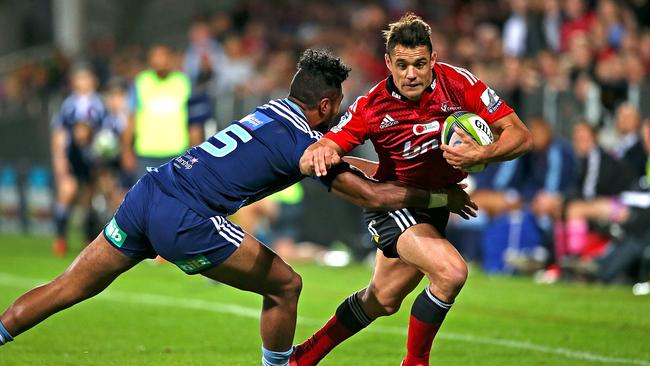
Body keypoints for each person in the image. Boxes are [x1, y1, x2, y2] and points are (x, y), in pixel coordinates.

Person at [0, 49, 476, 366]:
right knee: (287, 285)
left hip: (147, 193)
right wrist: (440, 197)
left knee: (67, 287)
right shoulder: (304, 142)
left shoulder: (271, 113)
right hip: (187, 216)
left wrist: (372, 166)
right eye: (341, 107)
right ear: (328, 105)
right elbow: (371, 195)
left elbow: (339, 162)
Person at [295, 14, 531, 366]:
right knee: (451, 272)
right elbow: (328, 146)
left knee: (382, 300)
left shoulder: (459, 84)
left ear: (433, 60)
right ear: (388, 63)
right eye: (402, 65)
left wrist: (483, 152)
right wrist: (323, 150)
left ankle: (301, 358)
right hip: (395, 201)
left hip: (433, 206)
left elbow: (520, 135)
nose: (411, 74)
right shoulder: (371, 106)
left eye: (420, 64)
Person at [121, 45, 204, 180]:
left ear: (170, 59)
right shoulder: (141, 82)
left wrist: (196, 153)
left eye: (163, 57)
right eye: (156, 57)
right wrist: (126, 150)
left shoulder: (183, 82)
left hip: (177, 152)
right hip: (146, 153)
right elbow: (131, 120)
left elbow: (194, 123)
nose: (160, 62)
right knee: (146, 197)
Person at [50, 65, 106, 256]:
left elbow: (105, 131)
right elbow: (59, 133)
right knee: (68, 190)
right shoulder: (69, 105)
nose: (84, 83)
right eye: (80, 79)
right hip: (73, 155)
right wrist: (59, 158)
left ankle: (88, 237)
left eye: (87, 78)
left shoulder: (100, 104)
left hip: (92, 157)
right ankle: (60, 237)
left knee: (89, 197)